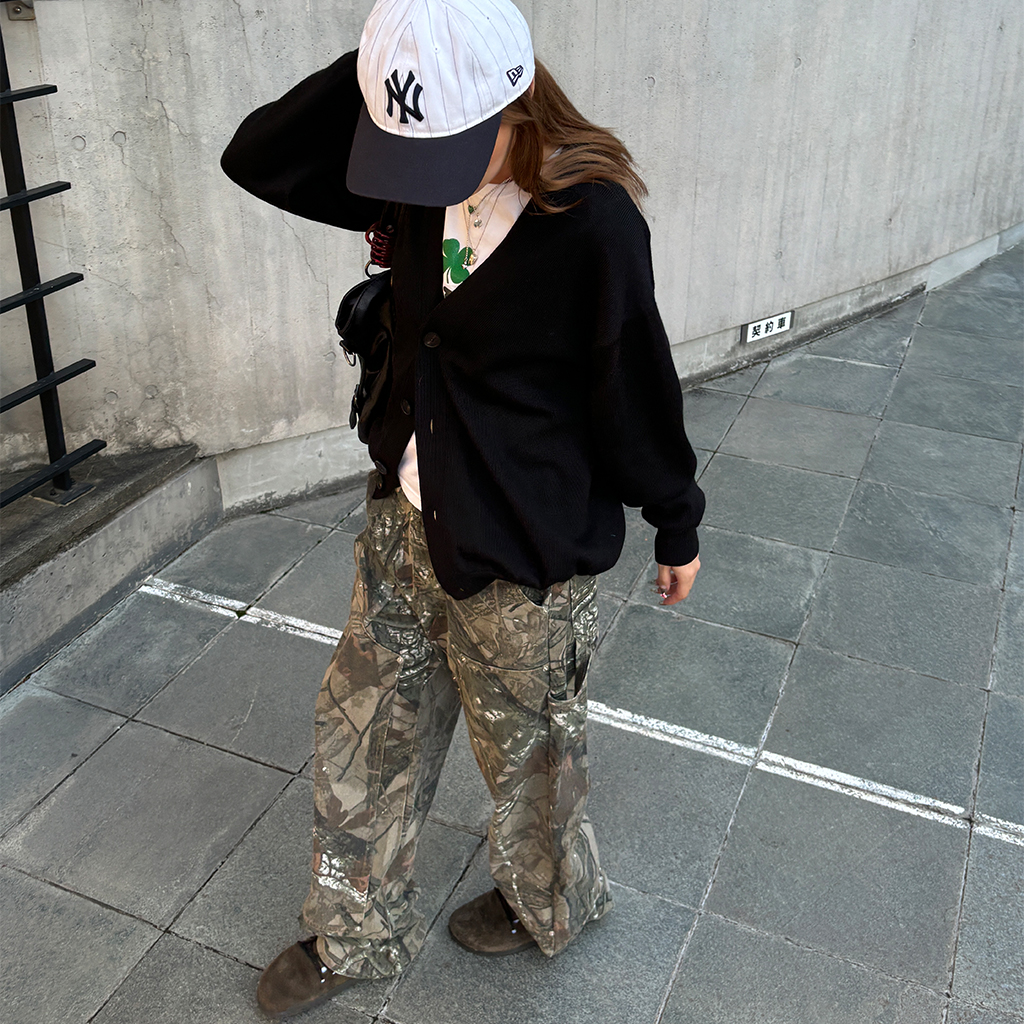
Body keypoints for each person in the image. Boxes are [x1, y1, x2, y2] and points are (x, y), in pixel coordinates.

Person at [221, 0, 704, 1017]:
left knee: (532, 764)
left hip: (524, 562)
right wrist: (390, 70)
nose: (418, 180)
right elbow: (259, 157)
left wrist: (676, 517)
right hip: (405, 527)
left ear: (516, 102)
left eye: (441, 149)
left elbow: (634, 386)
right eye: (405, 153)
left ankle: (552, 902)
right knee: (362, 733)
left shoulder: (592, 224)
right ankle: (355, 933)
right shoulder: (414, 181)